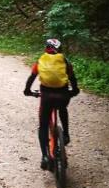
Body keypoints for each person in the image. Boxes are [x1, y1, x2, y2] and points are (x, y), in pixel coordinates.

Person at [24, 37, 80, 170]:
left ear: (46, 48)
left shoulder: (41, 61)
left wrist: (27, 90)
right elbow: (72, 78)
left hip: (47, 97)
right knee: (62, 108)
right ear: (60, 49)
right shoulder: (65, 61)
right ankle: (65, 134)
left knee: (43, 126)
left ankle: (45, 156)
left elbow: (32, 77)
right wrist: (75, 90)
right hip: (62, 95)